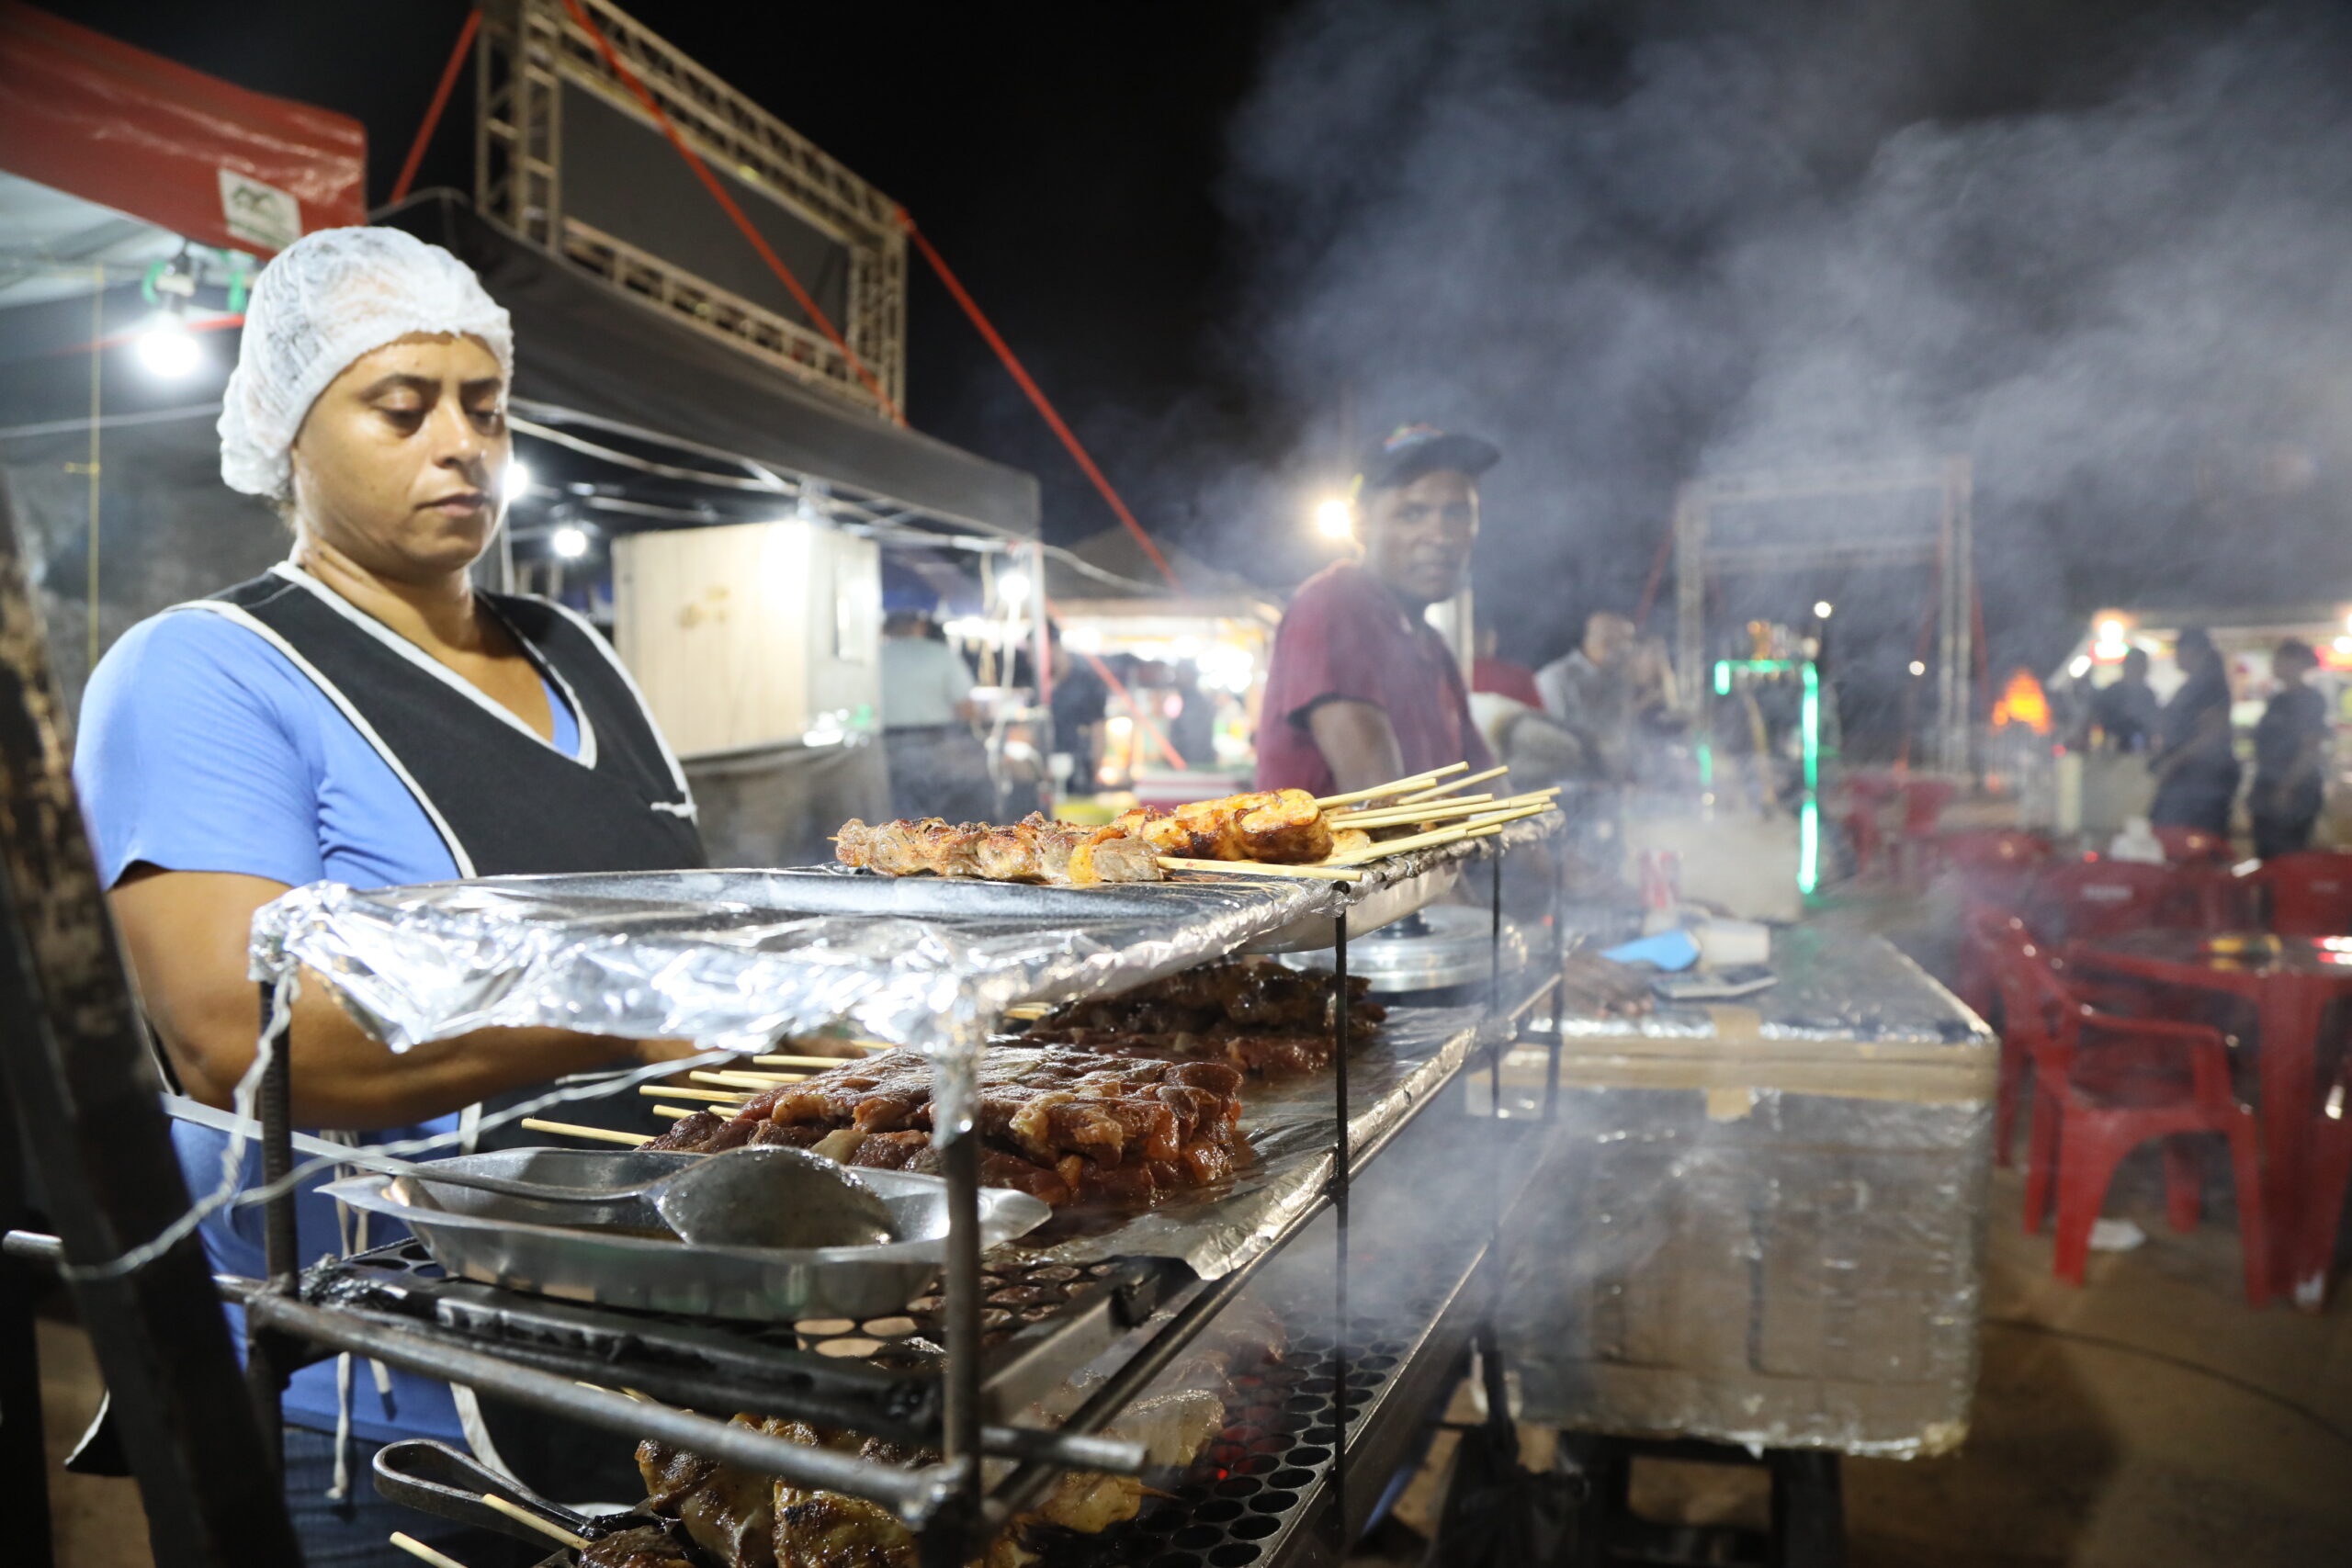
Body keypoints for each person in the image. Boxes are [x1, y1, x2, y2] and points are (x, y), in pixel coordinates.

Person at [72, 228, 704, 1563]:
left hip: (645, 1363)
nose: (463, 442)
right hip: (365, 1402)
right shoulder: (204, 673)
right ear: (290, 435)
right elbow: (240, 1037)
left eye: (487, 406)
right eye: (402, 407)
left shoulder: (577, 653)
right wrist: (643, 1016)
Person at [1256, 424, 1498, 795]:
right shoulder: (1333, 607)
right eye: (1412, 514)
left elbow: (1490, 787)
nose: (1442, 536)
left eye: (1457, 513)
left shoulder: (1433, 647)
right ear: (1361, 524)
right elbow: (1383, 808)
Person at [878, 610, 993, 822]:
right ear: (920, 626)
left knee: (902, 817)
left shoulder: (875, 659)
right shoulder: (941, 655)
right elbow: (966, 708)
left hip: (889, 750)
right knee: (945, 817)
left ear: (885, 628)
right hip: (938, 748)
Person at [2149, 626, 2241, 837]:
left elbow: (2212, 733)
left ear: (2193, 651)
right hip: (2187, 778)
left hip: (2204, 780)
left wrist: (2174, 761)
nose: (2175, 657)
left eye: (2178, 651)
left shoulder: (2211, 684)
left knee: (2197, 841)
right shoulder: (2193, 684)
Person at [2250, 637, 2329, 859]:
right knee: (2267, 857)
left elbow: (2310, 748)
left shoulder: (2310, 699)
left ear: (2297, 663)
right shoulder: (2278, 699)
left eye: (2280, 658)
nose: (2274, 663)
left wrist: (2287, 787)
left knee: (2288, 858)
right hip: (2268, 788)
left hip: (2295, 791)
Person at [1535, 611, 1637, 779]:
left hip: (1611, 784)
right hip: (1566, 782)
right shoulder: (1555, 678)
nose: (1630, 649)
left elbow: (1623, 737)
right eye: (1624, 642)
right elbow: (1556, 738)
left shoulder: (1620, 683)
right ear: (1604, 642)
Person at [2088, 647, 2161, 752]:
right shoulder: (2112, 692)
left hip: (2141, 750)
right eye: (2136, 665)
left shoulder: (2148, 694)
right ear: (2126, 666)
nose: (2141, 669)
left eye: (2143, 666)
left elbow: (2153, 722)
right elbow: (2096, 718)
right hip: (2112, 750)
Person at [1472, 623, 1543, 707]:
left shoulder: (1520, 676)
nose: (1482, 638)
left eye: (1485, 633)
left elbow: (1535, 716)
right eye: (1478, 633)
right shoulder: (1459, 676)